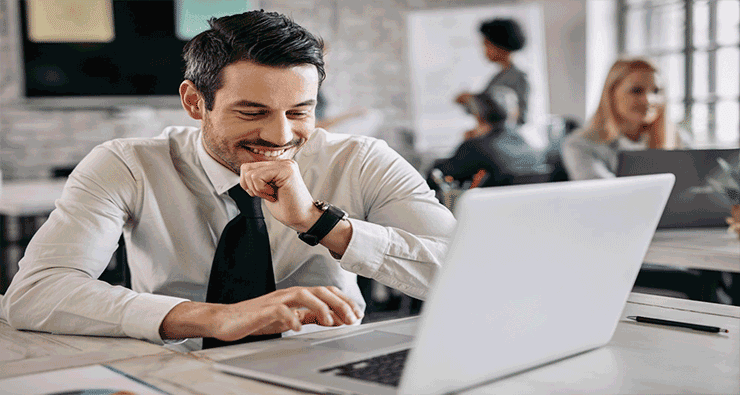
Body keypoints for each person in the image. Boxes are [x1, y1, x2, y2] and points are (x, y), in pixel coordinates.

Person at [0, 11, 455, 351]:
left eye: (299, 112)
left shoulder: (362, 159)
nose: (281, 136)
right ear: (195, 102)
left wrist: (321, 224)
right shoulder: (127, 164)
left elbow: (462, 276)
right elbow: (35, 294)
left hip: (326, 360)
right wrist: (215, 318)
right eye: (252, 112)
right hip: (180, 365)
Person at [561, 57, 686, 180]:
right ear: (611, 94)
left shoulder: (677, 137)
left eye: (656, 91)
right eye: (636, 91)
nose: (649, 99)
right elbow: (605, 193)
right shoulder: (580, 145)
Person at [431, 86, 544, 188]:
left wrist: (468, 142)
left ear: (479, 115)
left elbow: (435, 177)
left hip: (492, 208)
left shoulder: (475, 147)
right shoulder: (529, 144)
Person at [455, 18, 529, 125]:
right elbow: (486, 110)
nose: (484, 49)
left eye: (486, 44)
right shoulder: (498, 76)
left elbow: (520, 118)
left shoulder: (519, 78)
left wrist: (471, 100)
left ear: (499, 45)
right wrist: (469, 101)